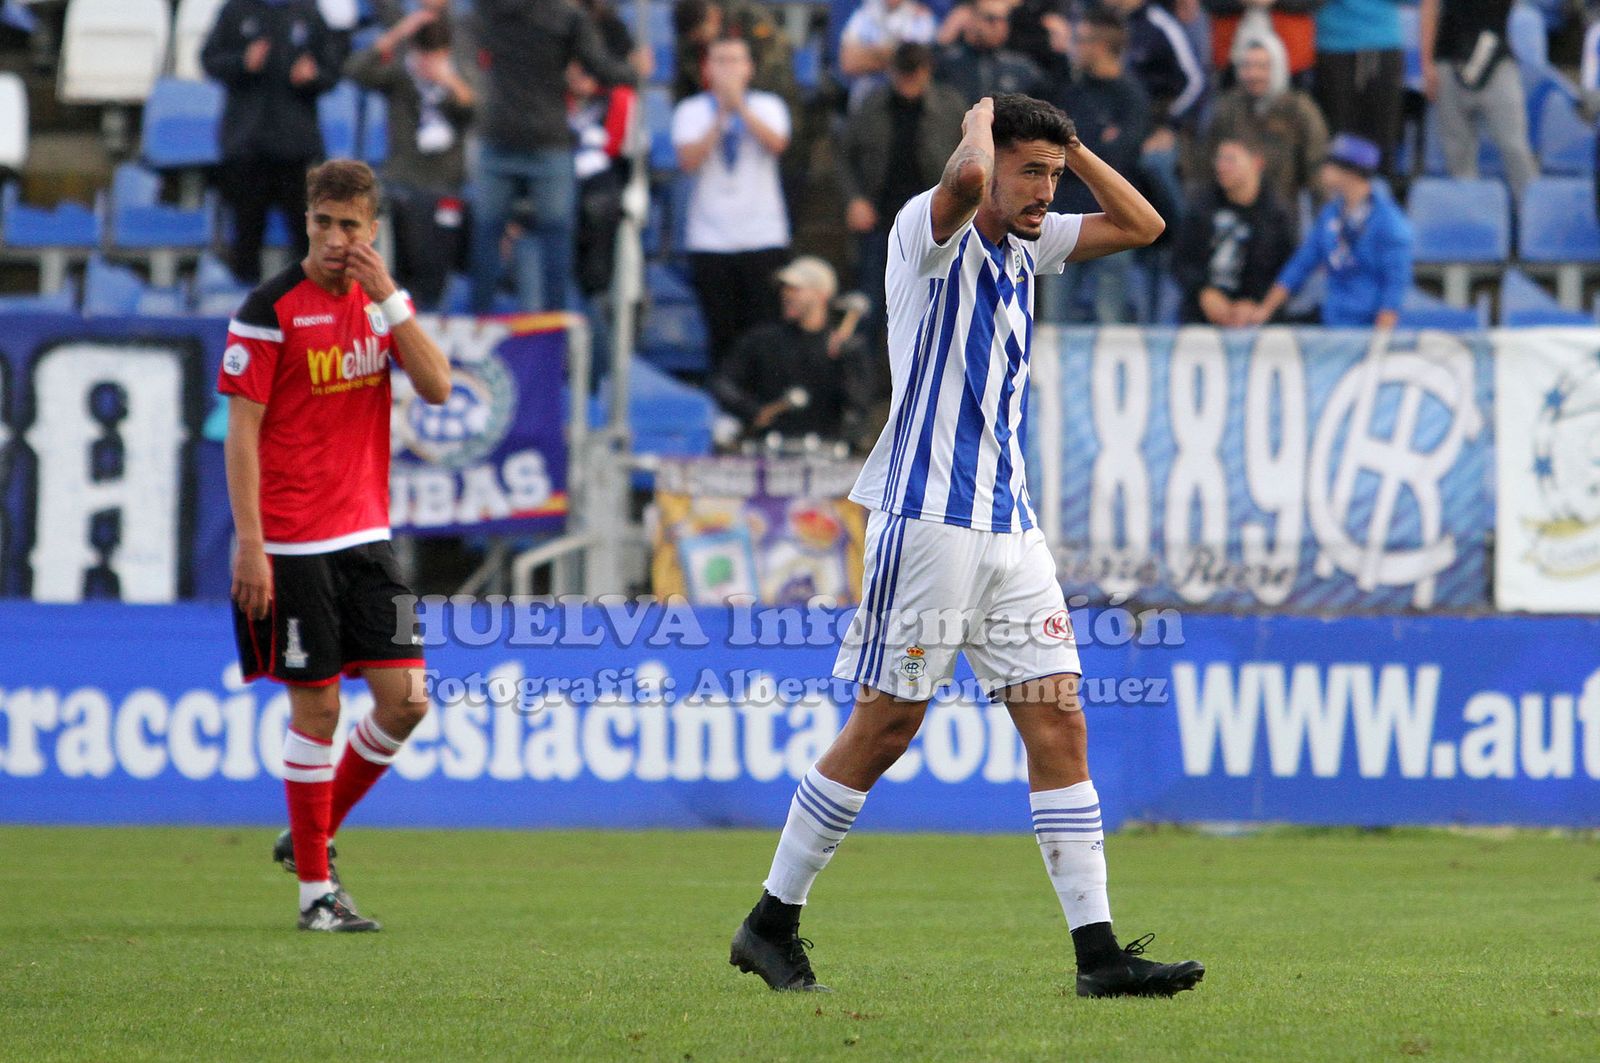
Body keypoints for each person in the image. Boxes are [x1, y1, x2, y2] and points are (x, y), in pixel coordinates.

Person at [727, 93, 1204, 999]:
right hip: (927, 518)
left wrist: (1072, 147)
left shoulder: (1032, 246)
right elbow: (972, 179)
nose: (1042, 191)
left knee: (1059, 719)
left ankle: (1098, 953)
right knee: (886, 726)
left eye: (1052, 178)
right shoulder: (926, 233)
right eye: (1033, 173)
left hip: (1010, 527)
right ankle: (769, 921)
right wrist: (982, 127)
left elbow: (1145, 224)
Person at [220, 160, 452, 931]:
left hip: (366, 537)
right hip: (290, 544)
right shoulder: (268, 308)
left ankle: (310, 836)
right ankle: (316, 895)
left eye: (350, 225)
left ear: (372, 229)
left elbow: (440, 385)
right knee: (317, 711)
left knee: (408, 700)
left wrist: (388, 297)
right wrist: (249, 542)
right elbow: (241, 432)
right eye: (323, 223)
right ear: (308, 221)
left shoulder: (382, 306)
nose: (334, 239)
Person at [468, 0, 634, 314]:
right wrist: (633, 71)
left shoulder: (491, 9)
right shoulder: (568, 18)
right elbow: (600, 68)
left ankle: (480, 325)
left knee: (487, 233)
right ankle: (553, 327)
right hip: (547, 139)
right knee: (556, 236)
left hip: (499, 133)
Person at [672, 35, 792, 376]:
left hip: (762, 233)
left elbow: (777, 143)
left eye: (734, 60)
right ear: (707, 68)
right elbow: (688, 160)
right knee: (720, 330)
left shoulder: (769, 105)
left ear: (749, 68)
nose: (727, 68)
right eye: (719, 60)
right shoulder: (691, 110)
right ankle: (725, 404)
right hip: (710, 237)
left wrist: (740, 107)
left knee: (764, 329)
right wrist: (720, 115)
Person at [202, 0, 345, 283]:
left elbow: (334, 70)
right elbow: (209, 60)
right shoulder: (236, 10)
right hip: (247, 145)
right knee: (246, 236)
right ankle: (247, 308)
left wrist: (314, 75)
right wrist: (242, 62)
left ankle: (308, 307)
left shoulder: (308, 13)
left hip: (296, 148)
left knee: (306, 236)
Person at [840, 42, 966, 352]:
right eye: (903, 73)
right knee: (870, 305)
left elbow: (972, 157)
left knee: (939, 305)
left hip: (937, 224)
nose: (909, 81)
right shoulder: (872, 105)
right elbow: (843, 155)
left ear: (928, 72)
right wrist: (854, 199)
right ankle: (868, 391)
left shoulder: (950, 107)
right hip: (881, 221)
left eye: (915, 73)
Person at [346, 16, 477, 310]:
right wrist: (396, 33)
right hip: (404, 185)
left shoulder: (459, 78)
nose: (428, 63)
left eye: (436, 55)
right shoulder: (401, 77)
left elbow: (476, 112)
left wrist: (449, 82)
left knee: (438, 273)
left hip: (447, 187)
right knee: (402, 275)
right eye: (423, 55)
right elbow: (354, 71)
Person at [1044, 9, 1150, 323]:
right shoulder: (1071, 89)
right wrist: (1093, 145)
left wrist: (1077, 146)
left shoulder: (1131, 96)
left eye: (1081, 40)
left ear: (1101, 46)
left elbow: (1121, 156)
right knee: (1054, 319)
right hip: (1063, 216)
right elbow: (1055, 146)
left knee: (1110, 319)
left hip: (1112, 219)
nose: (1074, 47)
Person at [1248, 132, 1413, 328]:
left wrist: (1380, 339)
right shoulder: (1331, 214)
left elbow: (1396, 283)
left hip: (1367, 322)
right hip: (1332, 317)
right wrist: (1265, 310)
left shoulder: (1389, 222)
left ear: (1351, 171)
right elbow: (1301, 263)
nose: (1323, 170)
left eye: (1331, 164)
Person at [709, 257, 874, 446]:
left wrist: (848, 361)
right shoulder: (764, 340)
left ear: (822, 294)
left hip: (827, 450)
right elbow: (722, 383)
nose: (786, 295)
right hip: (769, 446)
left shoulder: (845, 347)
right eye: (784, 289)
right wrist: (753, 410)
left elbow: (858, 408)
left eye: (796, 289)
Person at [1419, 0, 1537, 204]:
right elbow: (1429, 7)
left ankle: (1532, 214)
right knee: (1457, 152)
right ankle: (1471, 218)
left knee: (1515, 147)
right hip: (1449, 60)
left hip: (1497, 61)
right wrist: (1427, 63)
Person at [1174, 134, 1299, 325]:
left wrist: (1257, 303)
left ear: (1256, 163)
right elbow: (1181, 259)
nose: (1221, 166)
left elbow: (1288, 269)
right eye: (1219, 159)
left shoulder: (1278, 214)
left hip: (1258, 322)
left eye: (1231, 159)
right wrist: (1203, 292)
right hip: (1200, 318)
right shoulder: (1202, 204)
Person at [1206, 41, 1329, 212]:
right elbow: (1206, 164)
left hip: (1283, 210)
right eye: (1247, 66)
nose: (1253, 74)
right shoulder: (1227, 108)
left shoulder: (1299, 110)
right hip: (1233, 208)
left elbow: (1317, 169)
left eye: (1262, 67)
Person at [1312, 0, 1404, 180]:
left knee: (1382, 141)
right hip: (1334, 44)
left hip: (1382, 43)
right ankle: (1336, 204)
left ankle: (1378, 202)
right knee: (1337, 141)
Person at [934, 0, 1045, 105]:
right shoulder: (947, 63)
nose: (999, 26)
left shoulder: (1022, 68)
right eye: (991, 19)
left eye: (1004, 19)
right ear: (971, 19)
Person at [838, 0, 939, 110]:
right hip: (870, 92)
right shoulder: (865, 14)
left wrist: (871, 53)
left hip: (910, 94)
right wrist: (896, 52)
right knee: (863, 90)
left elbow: (917, 61)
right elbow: (848, 62)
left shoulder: (920, 16)